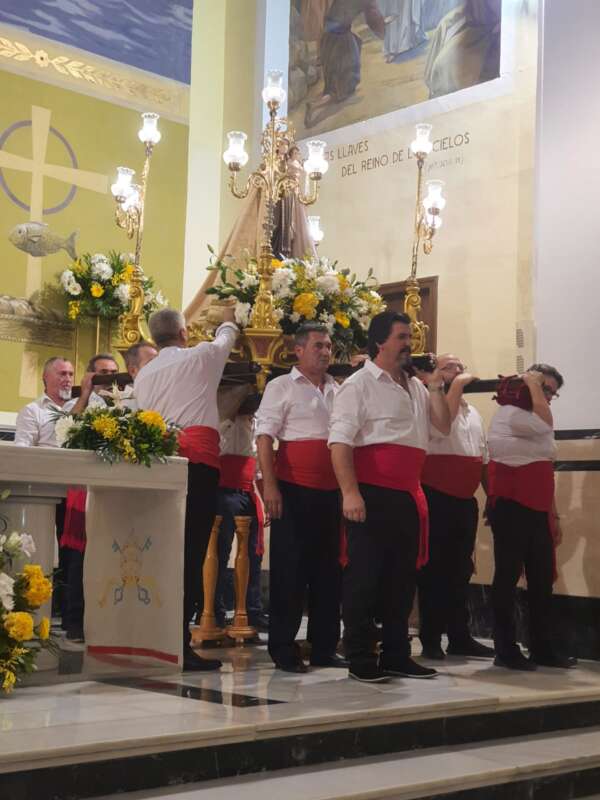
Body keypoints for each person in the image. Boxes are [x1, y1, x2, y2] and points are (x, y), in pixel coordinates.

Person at [329, 311, 451, 683]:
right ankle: (361, 655)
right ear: (380, 341)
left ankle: (397, 654)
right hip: (371, 494)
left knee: (402, 579)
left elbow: (443, 426)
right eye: (402, 337)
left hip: (407, 495)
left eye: (410, 337)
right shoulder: (359, 384)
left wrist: (433, 385)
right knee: (364, 578)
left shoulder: (414, 385)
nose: (408, 344)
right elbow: (339, 442)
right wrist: (350, 493)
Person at [134, 307, 238, 671]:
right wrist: (228, 315)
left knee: (165, 552)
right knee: (190, 554)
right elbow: (229, 336)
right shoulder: (201, 355)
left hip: (159, 468)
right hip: (196, 465)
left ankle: (157, 636)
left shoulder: (144, 374)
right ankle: (178, 642)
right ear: (183, 333)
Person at [255, 323, 345, 673]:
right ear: (299, 350)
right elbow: (265, 437)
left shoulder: (338, 389)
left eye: (329, 346)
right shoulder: (281, 386)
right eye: (319, 345)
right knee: (290, 571)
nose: (325, 351)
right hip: (293, 490)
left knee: (328, 572)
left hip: (331, 492)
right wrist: (271, 487)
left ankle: (324, 646)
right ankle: (282, 646)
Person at [487, 365, 576, 671]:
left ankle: (541, 647)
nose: (548, 396)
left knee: (541, 579)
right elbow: (545, 421)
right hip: (512, 505)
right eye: (545, 388)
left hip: (536, 505)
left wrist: (554, 514)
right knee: (507, 577)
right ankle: (505, 649)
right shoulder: (511, 413)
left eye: (552, 391)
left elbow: (543, 466)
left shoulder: (533, 418)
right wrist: (531, 383)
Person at [418, 353, 494, 660]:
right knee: (434, 572)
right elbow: (443, 428)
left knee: (461, 570)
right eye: (450, 367)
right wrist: (455, 387)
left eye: (461, 367)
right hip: (437, 498)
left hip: (465, 502)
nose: (459, 371)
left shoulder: (473, 412)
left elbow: (483, 459)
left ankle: (460, 636)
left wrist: (493, 496)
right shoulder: (431, 405)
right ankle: (431, 639)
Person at [215, 393, 266, 631]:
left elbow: (257, 464)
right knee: (220, 551)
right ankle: (215, 609)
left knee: (253, 554)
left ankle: (251, 610)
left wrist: (265, 498)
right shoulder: (220, 420)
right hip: (224, 490)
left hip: (247, 491)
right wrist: (228, 415)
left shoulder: (254, 423)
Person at [304, 0, 385, 129]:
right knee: (341, 84)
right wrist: (383, 30)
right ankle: (315, 105)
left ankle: (333, 91)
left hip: (328, 39)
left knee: (336, 75)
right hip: (339, 39)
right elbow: (373, 18)